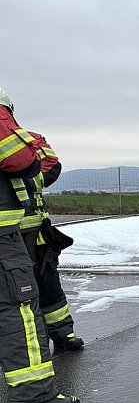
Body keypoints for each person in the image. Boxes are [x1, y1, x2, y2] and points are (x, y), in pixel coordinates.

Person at [0, 86, 79, 403]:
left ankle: (63, 333)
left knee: (44, 286)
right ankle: (33, 389)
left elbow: (48, 171)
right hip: (10, 235)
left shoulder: (33, 138)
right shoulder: (19, 139)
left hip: (32, 229)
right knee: (20, 305)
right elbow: (27, 164)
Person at [18, 131, 85, 353]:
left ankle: (63, 333)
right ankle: (28, 344)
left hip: (39, 239)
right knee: (17, 296)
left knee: (49, 287)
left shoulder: (26, 146)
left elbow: (51, 165)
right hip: (10, 241)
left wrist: (31, 143)